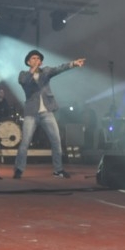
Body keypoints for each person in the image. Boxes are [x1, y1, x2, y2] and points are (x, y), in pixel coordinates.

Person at [13, 50, 85, 179]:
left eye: (38, 58)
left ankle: (58, 170)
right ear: (28, 62)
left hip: (47, 112)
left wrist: (73, 63)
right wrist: (33, 70)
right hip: (31, 113)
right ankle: (19, 169)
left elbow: (59, 69)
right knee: (25, 142)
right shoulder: (23, 75)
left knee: (56, 141)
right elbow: (25, 82)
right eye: (33, 58)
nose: (36, 60)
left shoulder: (45, 71)